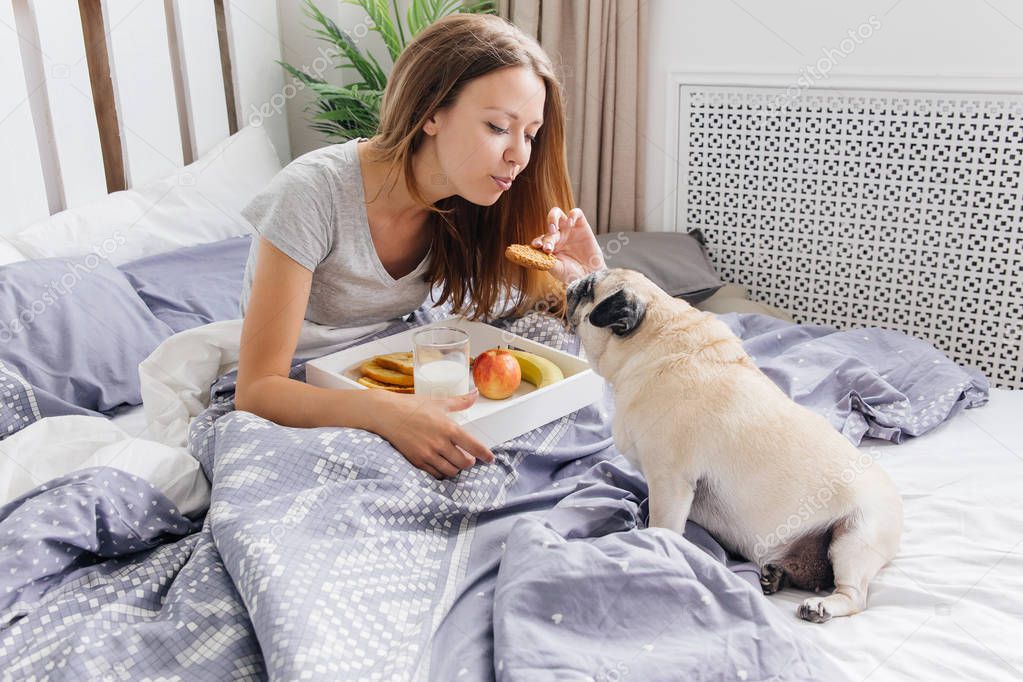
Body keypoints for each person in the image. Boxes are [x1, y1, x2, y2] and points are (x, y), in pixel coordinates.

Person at [235, 13, 607, 480]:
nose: (519, 155)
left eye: (530, 134)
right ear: (431, 111)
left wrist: (589, 274)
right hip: (303, 382)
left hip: (399, 361)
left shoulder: (470, 203)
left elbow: (551, 311)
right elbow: (256, 392)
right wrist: (386, 413)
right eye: (497, 127)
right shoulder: (310, 195)